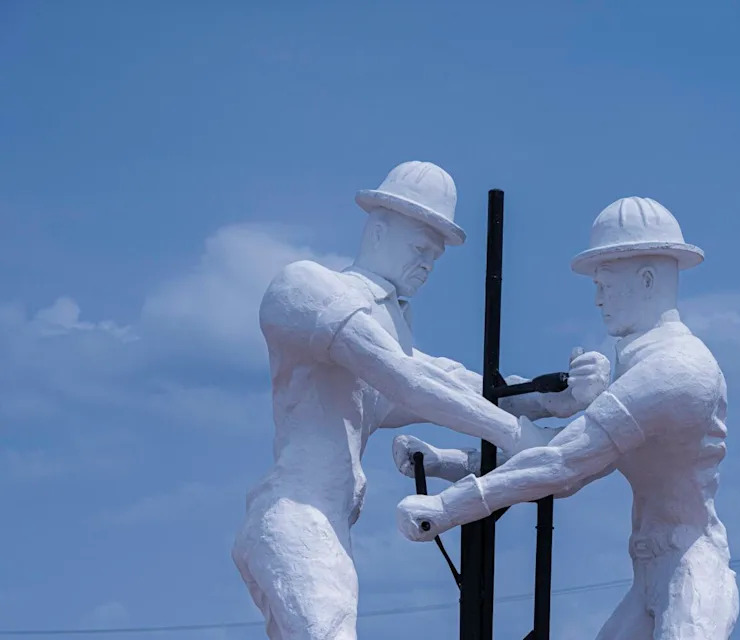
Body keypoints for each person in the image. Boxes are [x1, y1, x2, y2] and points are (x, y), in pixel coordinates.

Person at [231, 160, 610, 640]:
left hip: (326, 522)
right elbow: (407, 378)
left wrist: (552, 398)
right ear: (377, 230)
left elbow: (451, 381)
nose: (428, 265)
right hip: (295, 518)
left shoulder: (376, 351)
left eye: (435, 255)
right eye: (418, 248)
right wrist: (523, 437)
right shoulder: (308, 288)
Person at [395, 197, 739, 640]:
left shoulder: (675, 371)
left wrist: (447, 509)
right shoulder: (639, 368)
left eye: (605, 285)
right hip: (651, 573)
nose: (597, 300)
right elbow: (561, 456)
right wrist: (445, 462)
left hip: (693, 574)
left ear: (648, 279)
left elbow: (562, 464)